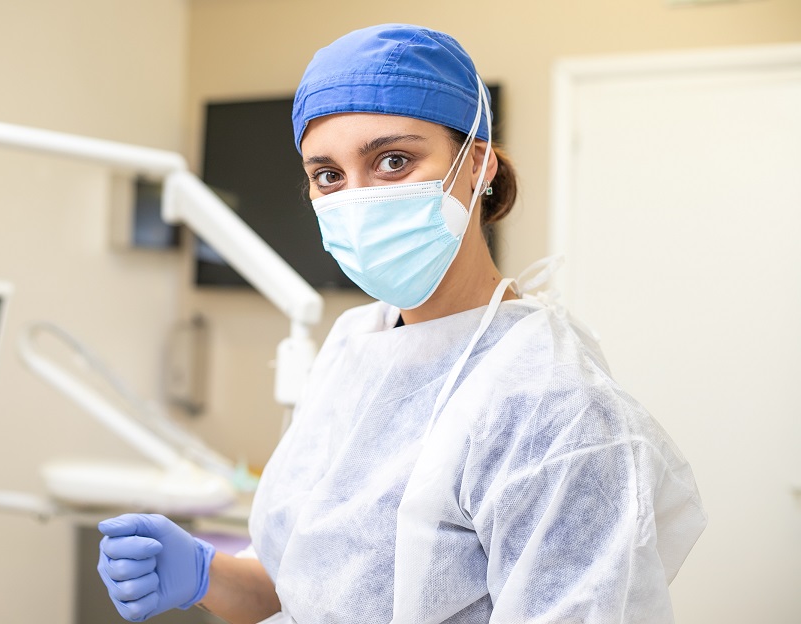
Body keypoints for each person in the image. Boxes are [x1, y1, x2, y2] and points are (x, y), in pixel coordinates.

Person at [96, 24, 706, 623]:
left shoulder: (553, 408)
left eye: (393, 160)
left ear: (479, 165)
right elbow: (294, 586)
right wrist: (204, 572)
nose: (357, 200)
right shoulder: (356, 345)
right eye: (328, 175)